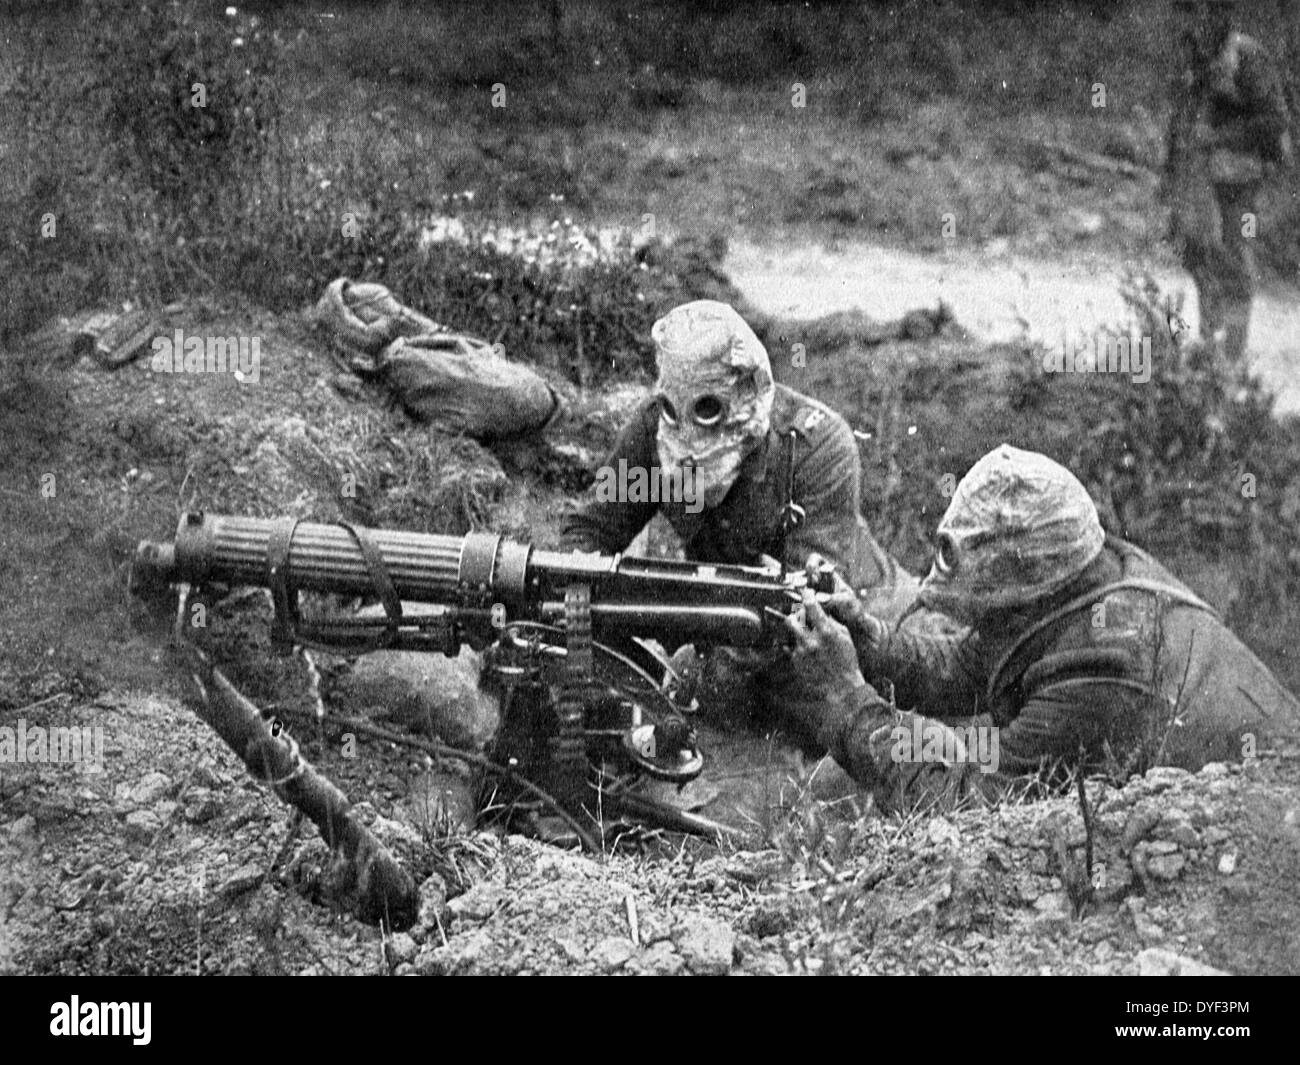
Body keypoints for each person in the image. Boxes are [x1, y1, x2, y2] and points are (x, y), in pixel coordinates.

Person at [782, 444, 1300, 813]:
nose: (979, 625)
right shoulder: (1078, 574)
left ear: (1023, 592)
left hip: (1265, 816)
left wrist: (846, 700)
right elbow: (967, 666)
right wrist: (867, 639)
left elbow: (970, 808)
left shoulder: (1106, 663)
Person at [560, 299, 926, 732]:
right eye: (677, 410)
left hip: (858, 617)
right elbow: (591, 530)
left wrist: (692, 644)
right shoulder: (653, 433)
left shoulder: (816, 448)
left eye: (709, 409)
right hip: (726, 616)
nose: (688, 432)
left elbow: (808, 612)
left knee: (846, 729)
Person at [1162, 0, 1292, 364]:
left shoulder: (1247, 57)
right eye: (1186, 11)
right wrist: (1169, 176)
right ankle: (1210, 345)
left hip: (1244, 179)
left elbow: (1275, 121)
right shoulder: (1195, 55)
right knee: (1196, 251)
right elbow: (1182, 119)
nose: (1191, 19)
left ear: (1218, 13)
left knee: (1235, 257)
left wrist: (1218, 137)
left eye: (1199, 10)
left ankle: (1230, 359)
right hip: (1202, 176)